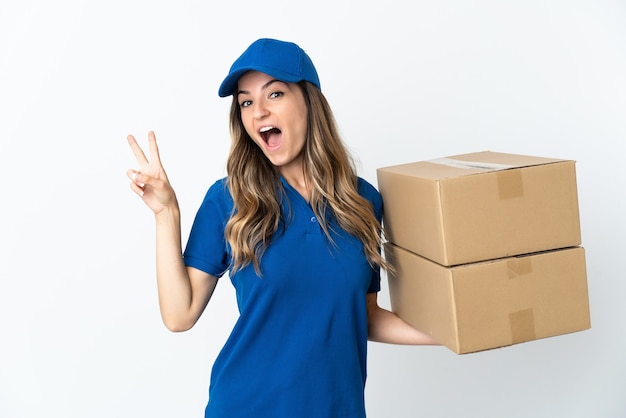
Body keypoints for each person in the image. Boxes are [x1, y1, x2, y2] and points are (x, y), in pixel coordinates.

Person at [127, 38, 438, 418]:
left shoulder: (362, 202)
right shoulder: (229, 199)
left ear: (310, 102)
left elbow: (363, 314)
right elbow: (180, 315)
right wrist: (166, 213)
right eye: (246, 102)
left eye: (274, 94)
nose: (258, 112)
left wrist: (453, 332)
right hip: (245, 407)